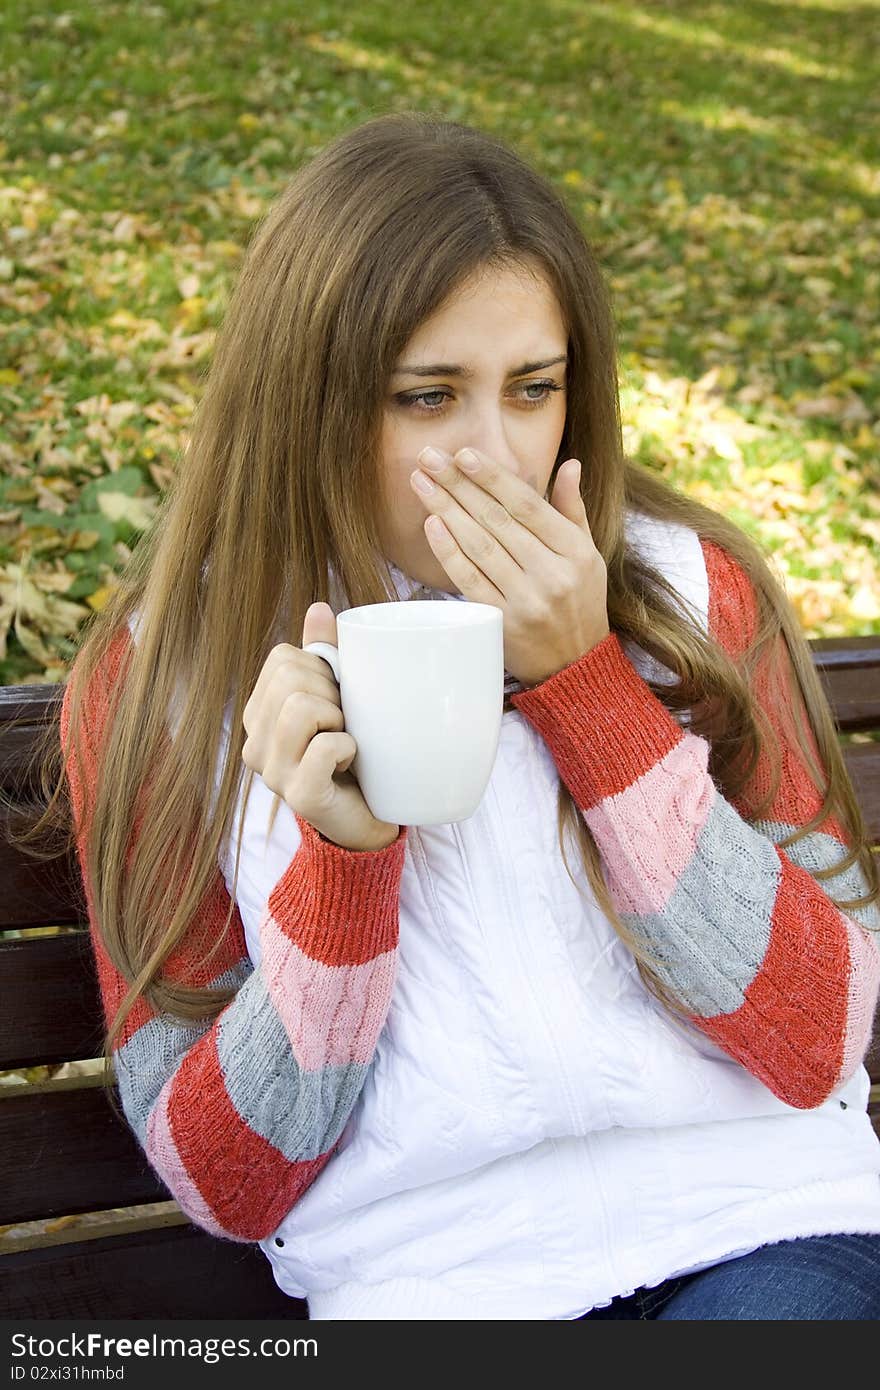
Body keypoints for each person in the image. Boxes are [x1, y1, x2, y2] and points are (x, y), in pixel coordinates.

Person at [42, 112, 880, 1320]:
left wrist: (593, 693)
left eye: (533, 388)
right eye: (427, 397)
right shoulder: (164, 682)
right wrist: (341, 865)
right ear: (309, 400)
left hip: (765, 1222)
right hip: (429, 1279)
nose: (493, 454)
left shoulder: (692, 594)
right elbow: (227, 1179)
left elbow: (822, 1033)